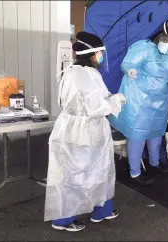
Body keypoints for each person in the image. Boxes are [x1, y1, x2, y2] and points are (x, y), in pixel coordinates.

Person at [44, 31, 126, 232]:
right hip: (86, 130)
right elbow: (96, 108)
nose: (101, 57)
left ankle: (100, 210)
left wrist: (109, 99)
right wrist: (118, 99)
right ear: (92, 53)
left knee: (84, 172)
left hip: (76, 128)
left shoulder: (75, 71)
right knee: (85, 172)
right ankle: (70, 218)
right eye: (100, 53)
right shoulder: (86, 75)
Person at [109, 23, 168, 186]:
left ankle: (154, 163)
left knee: (156, 134)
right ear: (161, 36)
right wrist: (130, 69)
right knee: (138, 137)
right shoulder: (143, 48)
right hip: (140, 101)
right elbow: (128, 63)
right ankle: (135, 172)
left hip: (159, 102)